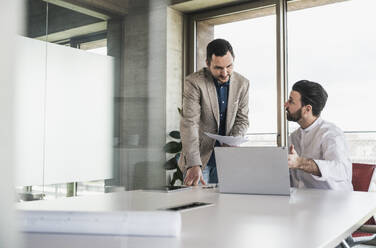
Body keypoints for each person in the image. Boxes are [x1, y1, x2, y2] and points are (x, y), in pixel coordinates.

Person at [179, 38, 249, 186]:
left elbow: (242, 119)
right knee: (196, 204)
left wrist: (233, 140)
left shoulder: (243, 84)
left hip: (226, 160)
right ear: (207, 63)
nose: (225, 73)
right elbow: (189, 124)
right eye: (218, 68)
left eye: (229, 66)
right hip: (199, 159)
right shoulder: (194, 82)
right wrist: (193, 164)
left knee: (224, 206)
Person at [285, 80, 353, 190]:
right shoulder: (293, 137)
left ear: (307, 109)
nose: (285, 104)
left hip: (334, 202)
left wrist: (300, 162)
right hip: (303, 201)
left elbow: (342, 170)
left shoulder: (331, 134)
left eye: (291, 101)